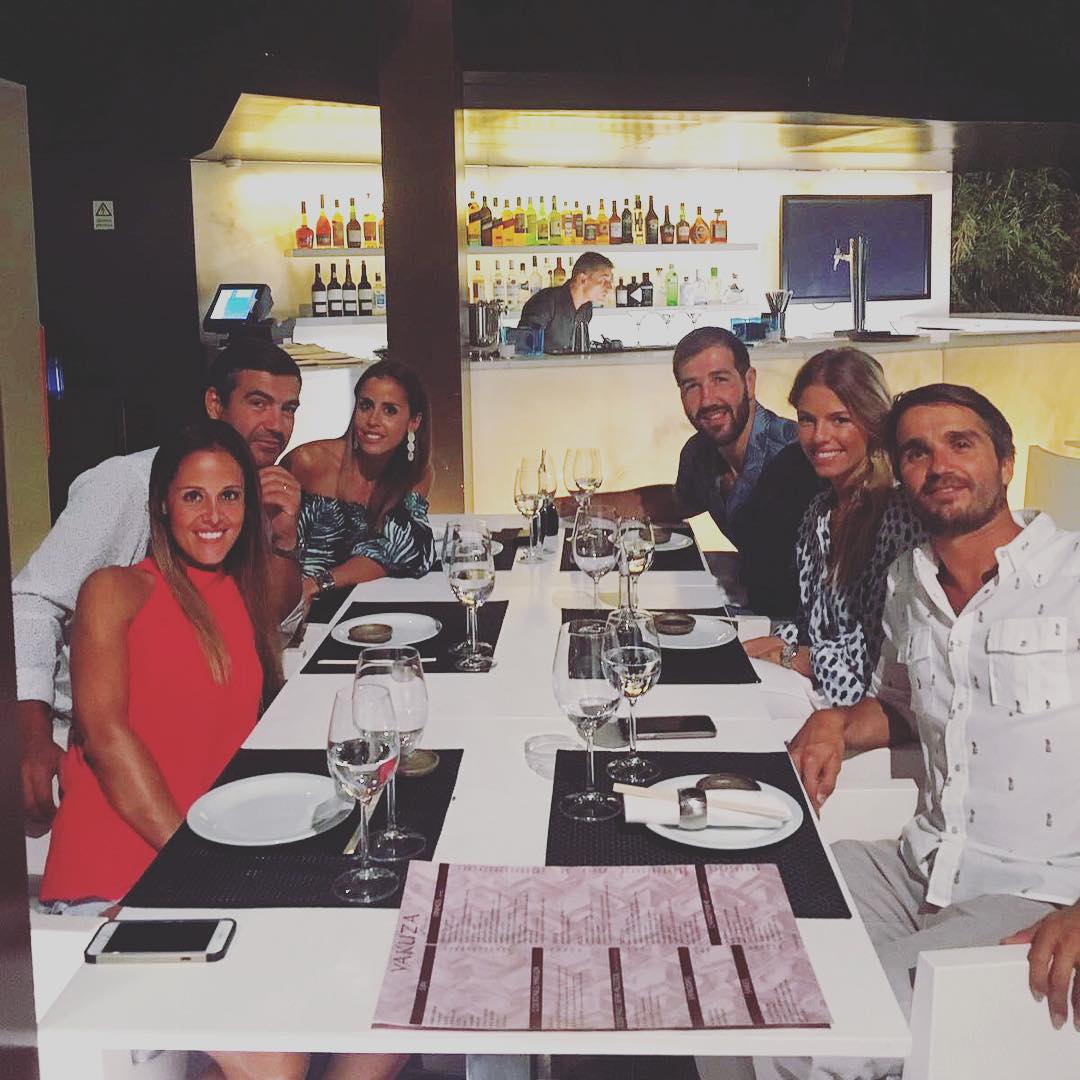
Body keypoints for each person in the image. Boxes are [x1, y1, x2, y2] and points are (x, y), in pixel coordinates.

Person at [786, 384, 1080, 1076]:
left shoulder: (1072, 577)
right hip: (917, 867)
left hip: (1032, 894)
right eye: (916, 452)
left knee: (814, 1032)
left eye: (960, 443)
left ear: (1005, 462)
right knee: (749, 908)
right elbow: (899, 704)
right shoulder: (907, 581)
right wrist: (836, 722)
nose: (938, 465)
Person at [14, 337, 305, 832]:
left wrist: (283, 537)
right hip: (101, 738)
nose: (276, 425)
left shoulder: (258, 489)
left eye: (288, 409)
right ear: (214, 403)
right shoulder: (125, 484)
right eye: (258, 403)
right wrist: (30, 737)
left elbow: (272, 623)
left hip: (205, 728)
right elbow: (32, 601)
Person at [562, 326, 824, 615]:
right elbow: (675, 503)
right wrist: (575, 506)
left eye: (720, 380)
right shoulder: (698, 453)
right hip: (751, 606)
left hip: (800, 624)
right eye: (691, 387)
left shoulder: (800, 457)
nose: (707, 399)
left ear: (749, 382)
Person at [744, 348, 925, 705]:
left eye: (839, 420)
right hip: (814, 690)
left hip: (865, 709)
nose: (819, 437)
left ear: (872, 423)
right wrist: (774, 643)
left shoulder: (897, 515)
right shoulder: (818, 513)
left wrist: (793, 657)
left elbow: (880, 657)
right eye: (807, 420)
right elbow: (810, 625)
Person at [283, 359, 437, 603]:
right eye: (366, 406)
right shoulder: (310, 463)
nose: (373, 420)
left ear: (414, 422)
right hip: (297, 608)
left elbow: (396, 550)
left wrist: (319, 583)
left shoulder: (416, 474)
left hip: (361, 605)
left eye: (389, 410)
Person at [518, 250, 613, 352]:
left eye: (610, 281)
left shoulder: (586, 309)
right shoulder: (544, 301)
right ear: (582, 279)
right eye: (603, 280)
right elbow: (524, 348)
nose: (610, 287)